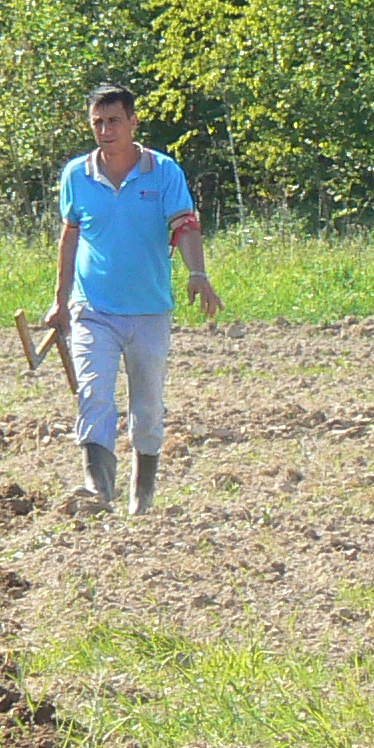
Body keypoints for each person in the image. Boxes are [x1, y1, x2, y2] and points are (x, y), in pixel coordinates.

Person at [44, 83, 221, 514]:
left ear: (133, 122)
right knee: (94, 393)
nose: (105, 130)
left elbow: (185, 227)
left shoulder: (163, 172)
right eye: (97, 122)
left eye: (114, 121)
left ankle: (141, 496)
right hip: (93, 308)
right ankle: (97, 488)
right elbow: (71, 236)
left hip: (149, 309)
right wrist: (59, 299)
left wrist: (197, 274)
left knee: (146, 405)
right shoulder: (76, 175)